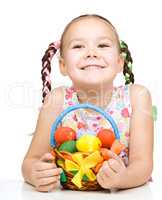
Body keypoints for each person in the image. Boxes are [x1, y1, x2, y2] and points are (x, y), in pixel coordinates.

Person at [22, 14, 154, 192]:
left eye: (103, 45)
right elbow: (31, 161)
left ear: (119, 62)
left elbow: (143, 165)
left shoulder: (137, 97)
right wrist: (35, 173)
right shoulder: (57, 100)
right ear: (63, 65)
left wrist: (122, 179)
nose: (92, 53)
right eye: (78, 46)